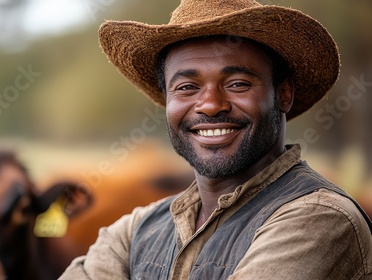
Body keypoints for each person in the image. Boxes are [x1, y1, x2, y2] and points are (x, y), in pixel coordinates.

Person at [60, 0, 372, 279]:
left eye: (237, 83)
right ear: (167, 100)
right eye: (186, 88)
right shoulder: (133, 232)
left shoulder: (318, 218)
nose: (210, 104)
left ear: (283, 95)